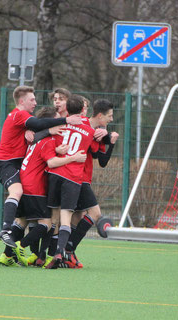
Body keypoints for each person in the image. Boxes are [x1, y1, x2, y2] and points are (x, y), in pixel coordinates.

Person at [0, 85, 82, 248]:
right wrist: (65, 121)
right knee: (18, 193)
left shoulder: (23, 119)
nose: (35, 102)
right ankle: (6, 230)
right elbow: (39, 123)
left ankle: (12, 253)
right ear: (21, 101)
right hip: (5, 162)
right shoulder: (19, 114)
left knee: (26, 217)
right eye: (32, 99)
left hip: (18, 165)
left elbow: (37, 129)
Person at [44, 95, 99, 269]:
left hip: (55, 173)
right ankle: (61, 252)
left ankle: (48, 254)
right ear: (83, 109)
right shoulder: (89, 131)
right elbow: (95, 150)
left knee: (54, 218)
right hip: (73, 177)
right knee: (66, 217)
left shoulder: (59, 125)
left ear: (67, 109)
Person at [65, 99, 119, 268]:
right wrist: (108, 138)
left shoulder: (99, 130)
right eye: (109, 116)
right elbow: (97, 156)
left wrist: (110, 141)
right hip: (77, 178)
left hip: (80, 178)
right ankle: (67, 249)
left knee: (77, 217)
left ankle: (65, 253)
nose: (111, 119)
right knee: (95, 214)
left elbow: (102, 161)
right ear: (100, 115)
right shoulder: (87, 128)